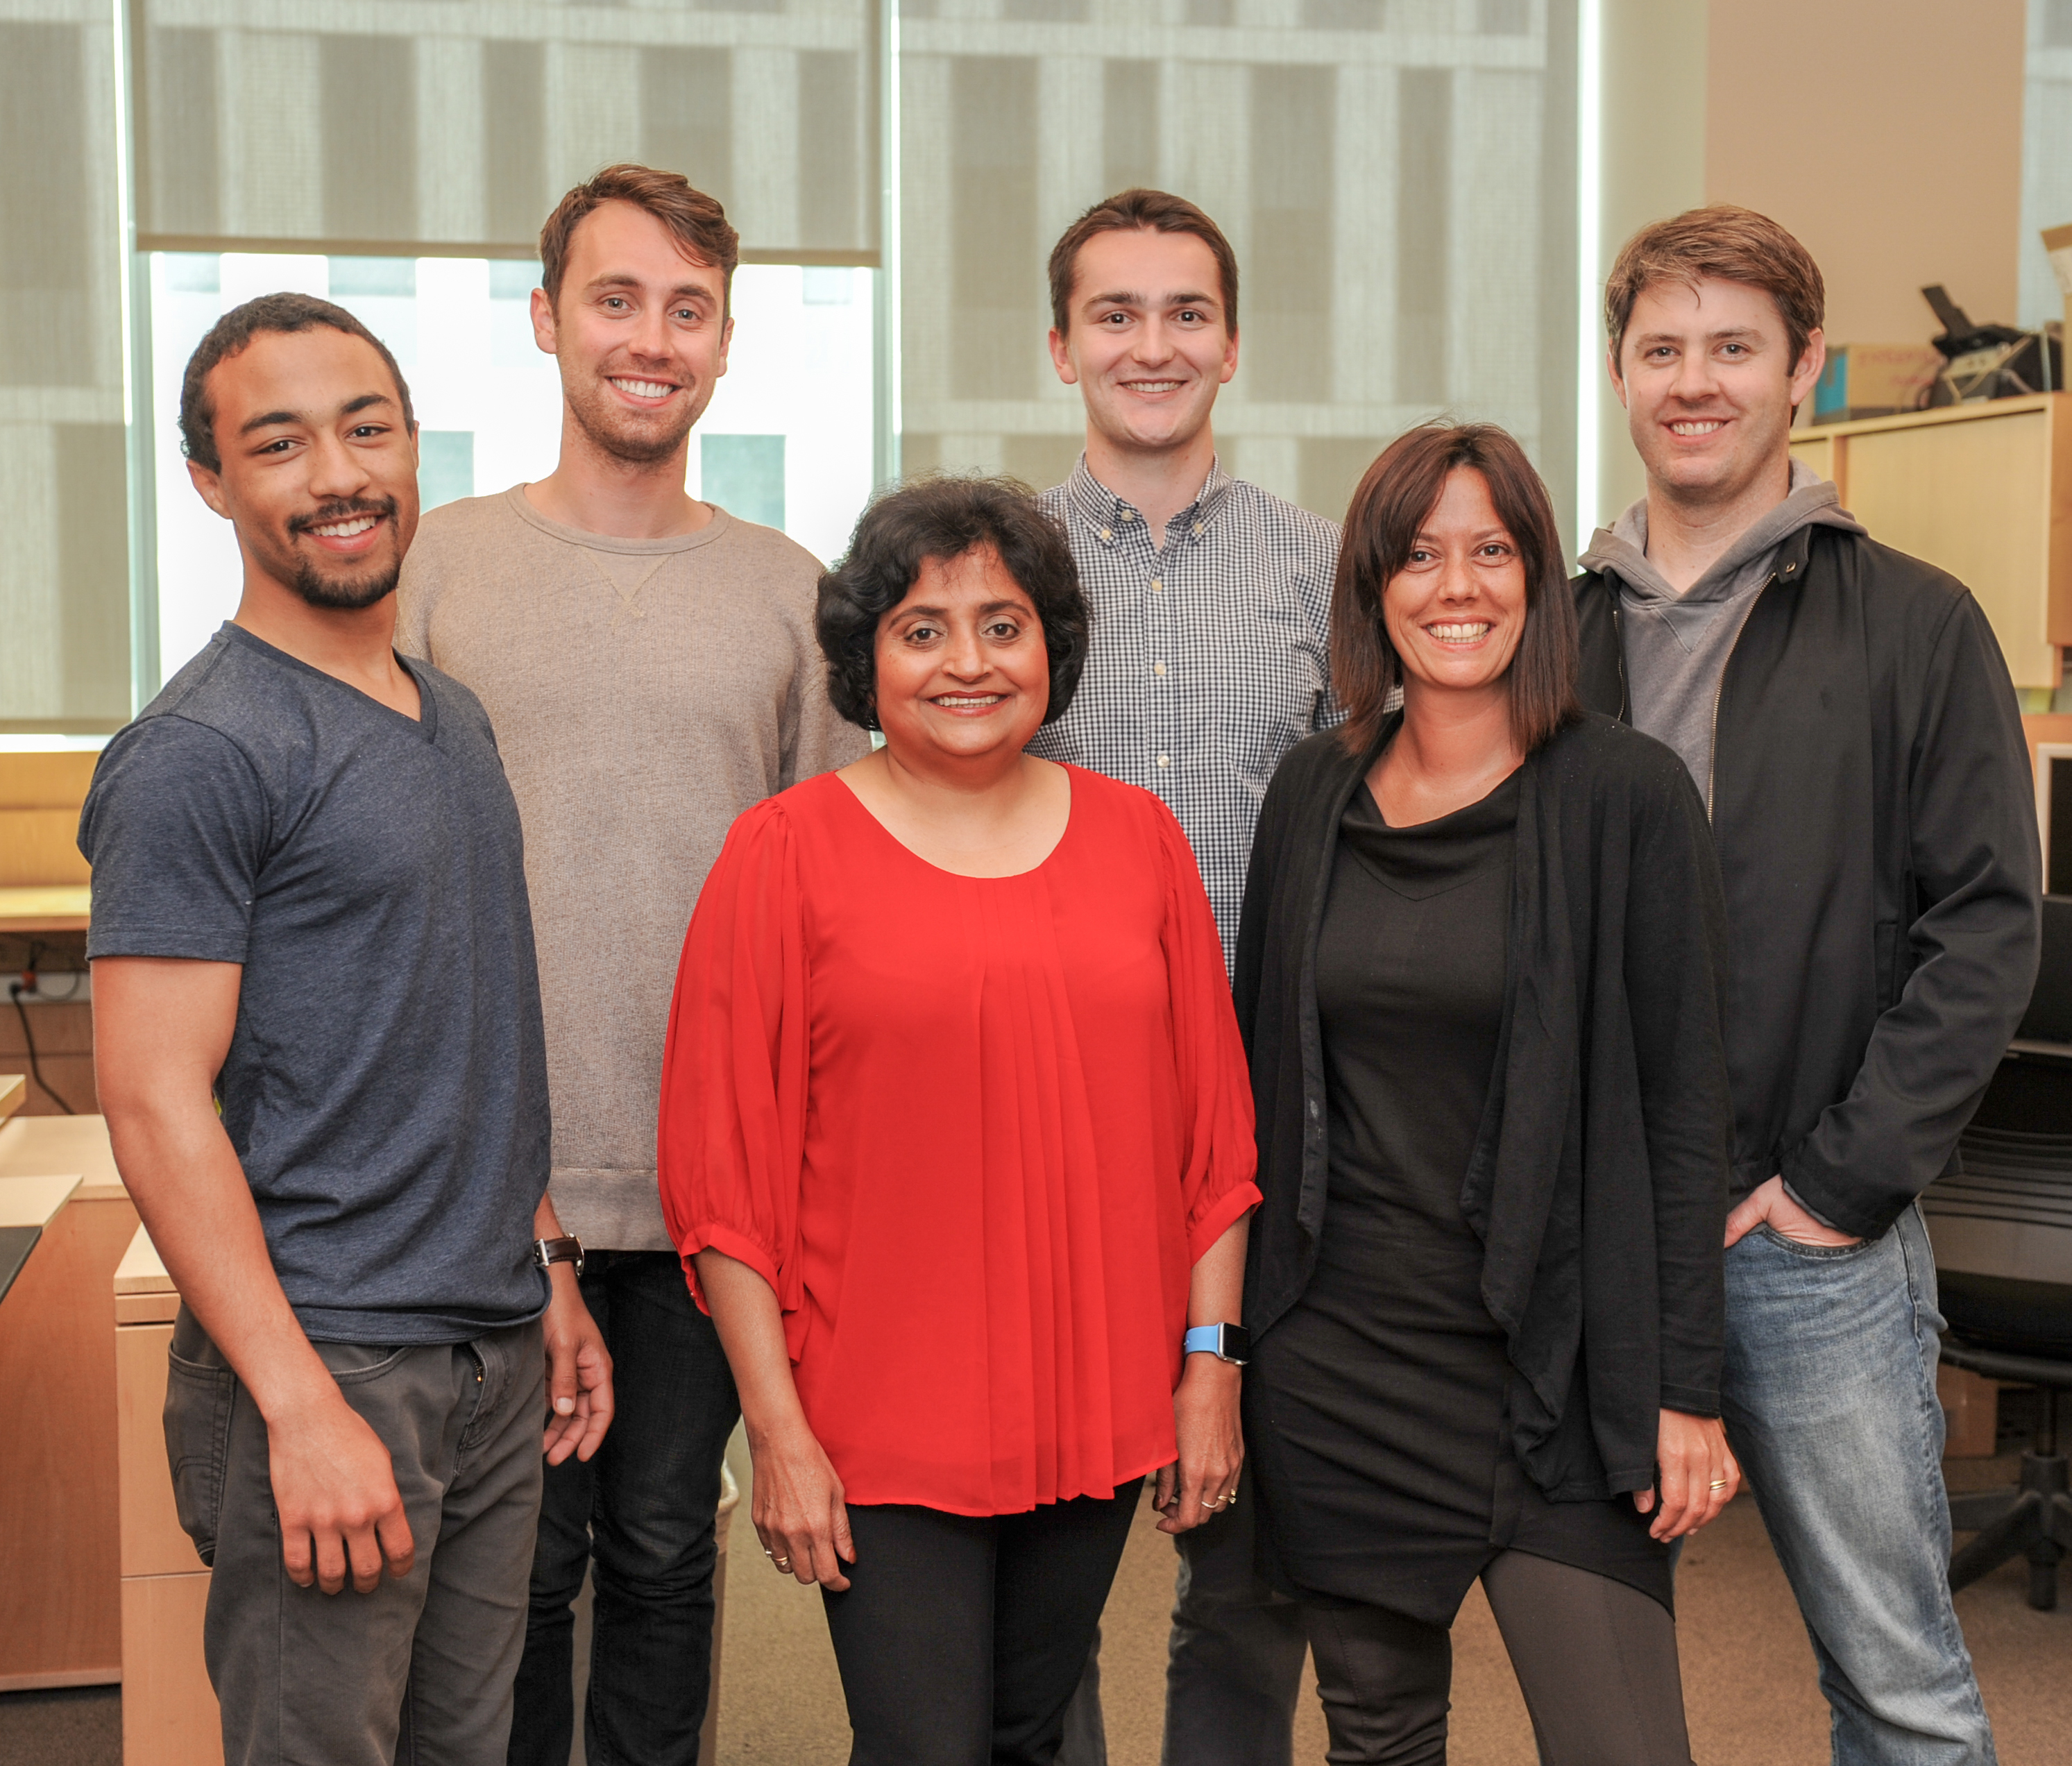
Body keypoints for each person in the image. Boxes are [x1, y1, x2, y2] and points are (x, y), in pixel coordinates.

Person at [656, 474, 1261, 1766]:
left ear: (1052, 644)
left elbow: (1213, 1143)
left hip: (1094, 1402)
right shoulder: (781, 852)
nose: (968, 661)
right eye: (922, 629)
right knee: (926, 1747)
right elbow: (724, 1186)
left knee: (1031, 1733)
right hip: (876, 1418)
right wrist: (776, 1431)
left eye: (1003, 621)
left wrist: (1211, 1365)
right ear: (866, 660)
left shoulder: (1140, 840)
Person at [83, 294, 613, 1766]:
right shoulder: (199, 754)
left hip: (491, 1343)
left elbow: (465, 1030)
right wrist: (296, 1402)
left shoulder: (449, 715)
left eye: (364, 427)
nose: (337, 473)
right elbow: (150, 1100)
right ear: (211, 484)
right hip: (330, 1357)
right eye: (279, 441)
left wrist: (548, 1262)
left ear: (412, 449)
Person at [396, 165, 870, 1766]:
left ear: (726, 343)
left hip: (707, 1192)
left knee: (665, 1555)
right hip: (485, 1181)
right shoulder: (435, 571)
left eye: (688, 309)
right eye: (615, 300)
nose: (649, 339)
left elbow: (832, 899)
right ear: (545, 322)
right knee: (514, 1576)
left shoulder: (790, 594)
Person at [1576, 205, 2038, 1765]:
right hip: (1600, 1249)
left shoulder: (1912, 623)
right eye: (1659, 349)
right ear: (1620, 372)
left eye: (1731, 347)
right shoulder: (1552, 638)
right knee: (1602, 1689)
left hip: (1806, 1244)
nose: (1691, 382)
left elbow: (1983, 928)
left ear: (1804, 370)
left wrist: (1833, 1187)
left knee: (1895, 1687)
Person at [1236, 422, 1738, 1765]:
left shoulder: (1626, 795)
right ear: (1372, 587)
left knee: (1624, 1748)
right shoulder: (1310, 792)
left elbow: (1688, 1109)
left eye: (1491, 551)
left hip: (1557, 1363)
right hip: (1339, 1360)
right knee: (1378, 1738)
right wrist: (1219, 1357)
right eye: (1418, 556)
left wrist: (1686, 1386)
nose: (1455, 586)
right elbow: (1254, 1100)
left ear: (1533, 579)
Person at [1030, 187, 1336, 1766]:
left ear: (1232, 344)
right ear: (1061, 344)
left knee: (1245, 1548)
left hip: (1267, 1116)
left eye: (1184, 314)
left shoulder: (1324, 571)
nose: (1152, 345)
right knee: (1047, 1541)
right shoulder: (993, 566)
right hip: (1048, 1122)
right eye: (1116, 314)